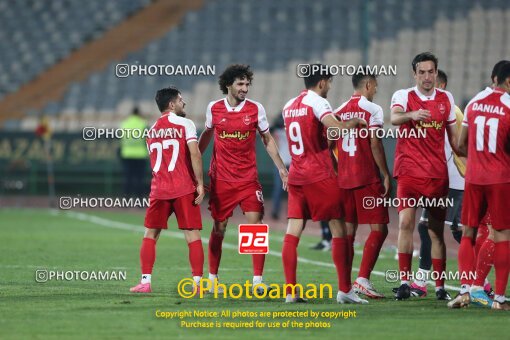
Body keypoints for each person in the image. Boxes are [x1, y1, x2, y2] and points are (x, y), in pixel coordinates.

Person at [198, 64, 288, 294]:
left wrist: (281, 168)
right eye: (240, 84)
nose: (245, 88)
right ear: (228, 85)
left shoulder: (256, 109)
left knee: (255, 227)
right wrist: (194, 160)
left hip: (248, 179)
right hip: (222, 180)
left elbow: (267, 139)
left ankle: (257, 281)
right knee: (219, 228)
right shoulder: (214, 108)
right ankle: (213, 279)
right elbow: (207, 135)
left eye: (247, 84)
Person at [281, 64, 367, 304]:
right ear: (321, 82)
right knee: (339, 230)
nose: (329, 86)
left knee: (292, 234)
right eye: (329, 82)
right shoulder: (318, 102)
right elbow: (336, 128)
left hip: (297, 176)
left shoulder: (289, 106)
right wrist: (353, 123)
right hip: (320, 175)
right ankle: (345, 291)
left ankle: (290, 293)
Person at [390, 52, 460, 300]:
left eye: (431, 72)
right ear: (415, 74)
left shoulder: (446, 98)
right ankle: (405, 282)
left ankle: (440, 287)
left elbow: (454, 141)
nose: (427, 77)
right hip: (408, 172)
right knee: (405, 224)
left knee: (435, 231)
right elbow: (394, 118)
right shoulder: (403, 96)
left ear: (436, 72)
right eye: (422, 72)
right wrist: (412, 115)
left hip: (436, 175)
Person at [130, 86, 205, 294]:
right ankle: (198, 284)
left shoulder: (151, 130)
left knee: (150, 235)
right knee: (192, 235)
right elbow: (195, 154)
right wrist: (199, 182)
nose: (184, 103)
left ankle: (145, 282)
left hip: (159, 190)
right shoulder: (185, 124)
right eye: (181, 100)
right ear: (172, 104)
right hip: (183, 188)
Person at [454, 62, 510, 310]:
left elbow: (460, 144)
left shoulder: (474, 102)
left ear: (493, 77)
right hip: (500, 178)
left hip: (474, 178)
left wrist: (477, 159)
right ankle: (498, 299)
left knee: (468, 232)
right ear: (508, 82)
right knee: (502, 235)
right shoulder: (509, 105)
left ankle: (466, 291)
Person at [334, 68, 390, 299]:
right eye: (375, 85)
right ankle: (363, 279)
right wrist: (386, 173)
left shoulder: (337, 111)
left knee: (348, 232)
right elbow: (375, 143)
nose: (376, 90)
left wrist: (338, 170)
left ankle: (345, 286)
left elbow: (328, 146)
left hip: (344, 180)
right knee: (380, 229)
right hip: (366, 177)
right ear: (368, 85)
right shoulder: (372, 109)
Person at [411, 70, 466, 298]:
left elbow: (461, 146)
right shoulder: (431, 111)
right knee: (427, 227)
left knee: (460, 231)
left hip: (456, 179)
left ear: (440, 84)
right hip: (439, 179)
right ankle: (422, 281)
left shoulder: (452, 112)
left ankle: (477, 282)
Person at [119, 107, 148, 198]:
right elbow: (146, 140)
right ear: (139, 113)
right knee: (140, 179)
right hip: (140, 155)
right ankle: (139, 200)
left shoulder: (124, 124)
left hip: (127, 154)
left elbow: (122, 139)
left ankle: (126, 200)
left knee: (128, 178)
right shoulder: (143, 124)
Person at [270, 114, 291, 220]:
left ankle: (291, 213)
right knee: (279, 189)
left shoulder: (289, 129)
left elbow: (271, 128)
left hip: (289, 163)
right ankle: (276, 211)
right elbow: (270, 129)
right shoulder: (281, 131)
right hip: (283, 163)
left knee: (291, 190)